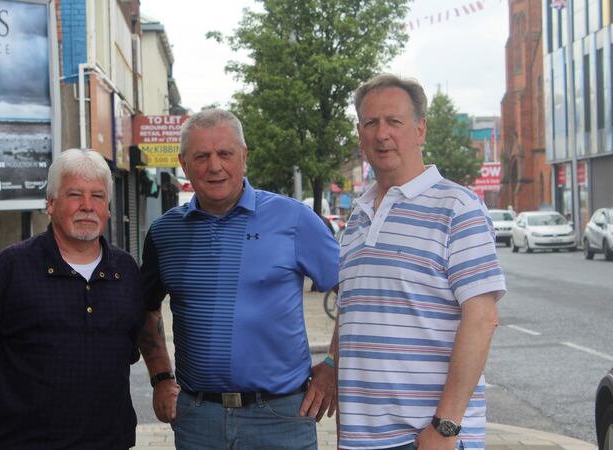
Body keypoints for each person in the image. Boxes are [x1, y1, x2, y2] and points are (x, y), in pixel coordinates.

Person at [138, 109, 340, 450]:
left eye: (225, 154)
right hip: (198, 420)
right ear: (184, 164)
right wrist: (160, 378)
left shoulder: (295, 219)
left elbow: (356, 294)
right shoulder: (164, 232)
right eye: (201, 156)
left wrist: (334, 363)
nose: (214, 166)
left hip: (281, 418)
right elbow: (146, 308)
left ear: (243, 157)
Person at [337, 73, 506, 450]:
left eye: (394, 121)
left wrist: (445, 426)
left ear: (420, 129)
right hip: (361, 439)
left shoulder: (458, 207)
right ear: (360, 132)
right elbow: (355, 311)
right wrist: (331, 366)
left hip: (425, 437)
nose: (382, 134)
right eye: (371, 122)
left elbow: (481, 319)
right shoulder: (358, 216)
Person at [0, 148, 145, 449]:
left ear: (108, 207)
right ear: (51, 204)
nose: (87, 206)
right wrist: (25, 394)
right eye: (75, 195)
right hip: (23, 441)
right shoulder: (10, 268)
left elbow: (126, 352)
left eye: (97, 196)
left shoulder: (126, 271)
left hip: (109, 440)